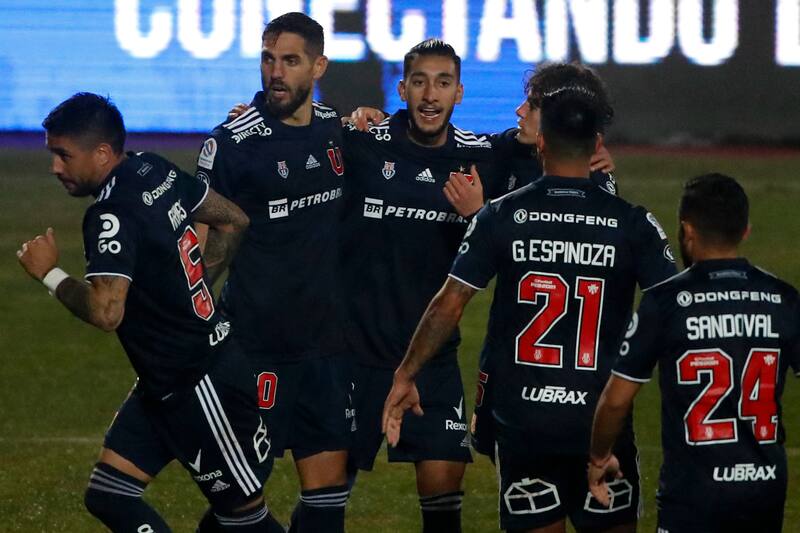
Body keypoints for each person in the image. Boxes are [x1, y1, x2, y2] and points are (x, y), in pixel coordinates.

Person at [382, 70, 677, 532]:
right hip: (601, 418)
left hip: (525, 421)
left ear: (542, 145)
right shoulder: (633, 224)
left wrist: (405, 373)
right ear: (594, 142)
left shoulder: (502, 216)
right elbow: (675, 307)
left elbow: (449, 304)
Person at [17, 92, 281, 532]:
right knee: (108, 494)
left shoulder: (109, 212)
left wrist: (50, 274)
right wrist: (195, 282)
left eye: (63, 155)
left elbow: (106, 312)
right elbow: (233, 218)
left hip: (201, 384)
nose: (55, 168)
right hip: (164, 383)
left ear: (101, 153)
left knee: (242, 517)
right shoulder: (151, 167)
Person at [194, 12, 351, 533]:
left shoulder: (340, 134)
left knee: (327, 506)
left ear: (319, 65)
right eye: (267, 58)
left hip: (326, 351)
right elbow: (199, 248)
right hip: (254, 349)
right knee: (237, 508)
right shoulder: (233, 145)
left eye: (290, 60)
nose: (275, 72)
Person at [588, 173, 800, 533]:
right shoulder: (783, 298)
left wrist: (597, 456)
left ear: (687, 230)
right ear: (745, 230)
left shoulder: (666, 302)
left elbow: (616, 400)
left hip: (692, 491)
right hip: (764, 487)